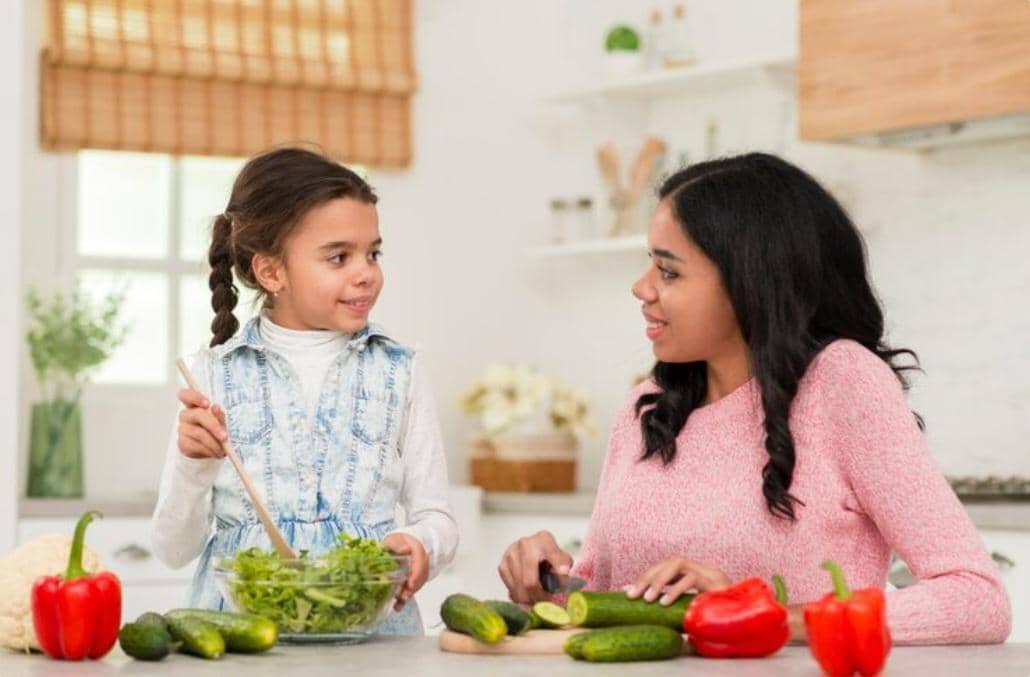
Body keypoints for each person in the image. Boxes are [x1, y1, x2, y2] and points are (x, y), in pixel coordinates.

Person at [498, 153, 1010, 644]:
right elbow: (612, 598)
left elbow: (976, 599)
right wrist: (548, 583)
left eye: (669, 271)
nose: (641, 287)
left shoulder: (841, 382)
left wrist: (763, 616)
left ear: (750, 281)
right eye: (649, 265)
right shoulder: (646, 407)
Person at [151, 147, 458, 635]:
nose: (366, 272)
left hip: (371, 643)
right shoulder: (211, 376)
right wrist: (195, 465)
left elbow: (435, 515)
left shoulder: (401, 371)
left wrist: (419, 542)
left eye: (373, 253)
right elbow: (171, 549)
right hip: (243, 645)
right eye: (339, 257)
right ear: (272, 272)